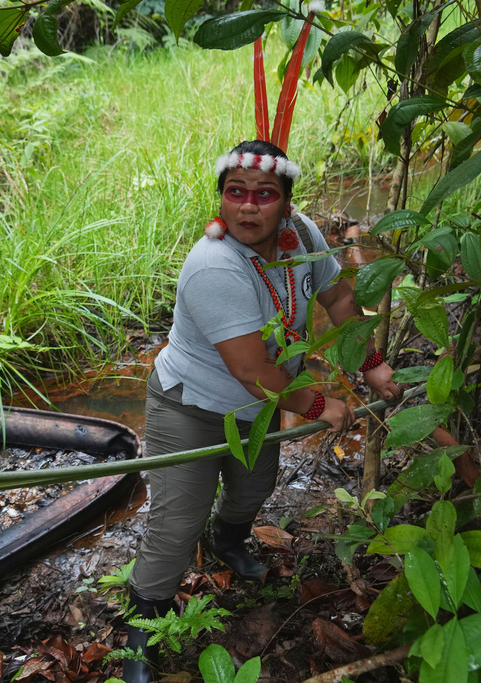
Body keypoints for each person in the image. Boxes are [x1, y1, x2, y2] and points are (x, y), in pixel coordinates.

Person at [121, 140, 400, 682]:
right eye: (235, 193)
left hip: (261, 407)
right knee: (176, 525)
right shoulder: (213, 266)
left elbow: (340, 301)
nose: (248, 206)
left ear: (287, 204)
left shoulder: (302, 237)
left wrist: (373, 364)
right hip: (192, 406)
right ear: (221, 201)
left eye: (264, 194)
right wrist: (322, 404)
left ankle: (227, 541)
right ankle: (142, 629)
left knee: (252, 488)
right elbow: (252, 371)